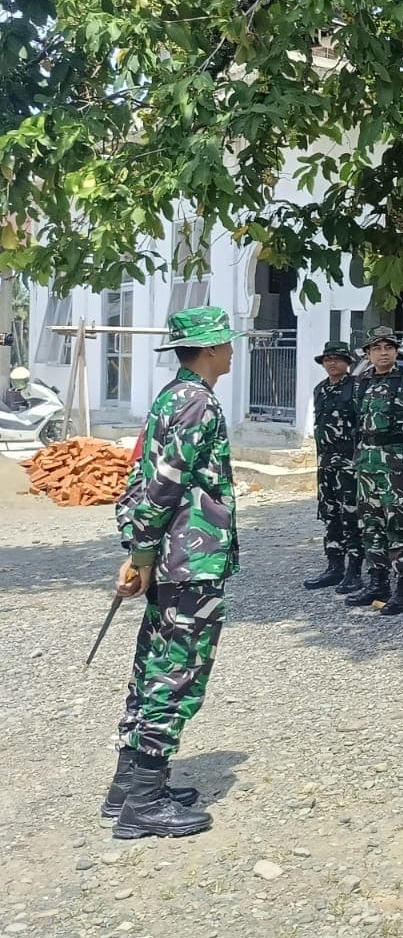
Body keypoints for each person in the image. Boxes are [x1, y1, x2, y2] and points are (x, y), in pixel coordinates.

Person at [102, 306, 244, 839]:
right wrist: (141, 553)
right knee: (177, 673)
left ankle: (128, 786)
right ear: (208, 350)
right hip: (190, 557)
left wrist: (139, 548)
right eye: (225, 343)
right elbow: (163, 485)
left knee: (152, 665)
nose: (231, 350)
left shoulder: (171, 396)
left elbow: (140, 479)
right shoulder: (197, 402)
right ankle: (143, 802)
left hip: (173, 555)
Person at [350, 327, 403, 613]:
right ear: (368, 353)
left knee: (400, 524)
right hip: (368, 462)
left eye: (389, 348)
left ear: (396, 352)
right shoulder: (361, 382)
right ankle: (378, 581)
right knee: (371, 523)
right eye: (377, 348)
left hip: (398, 463)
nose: (383, 353)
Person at [303, 341, 361, 591]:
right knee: (330, 515)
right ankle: (334, 566)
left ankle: (354, 570)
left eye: (337, 358)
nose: (332, 363)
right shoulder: (320, 389)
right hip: (326, 464)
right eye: (328, 359)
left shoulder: (356, 387)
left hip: (349, 464)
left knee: (351, 516)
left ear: (347, 362)